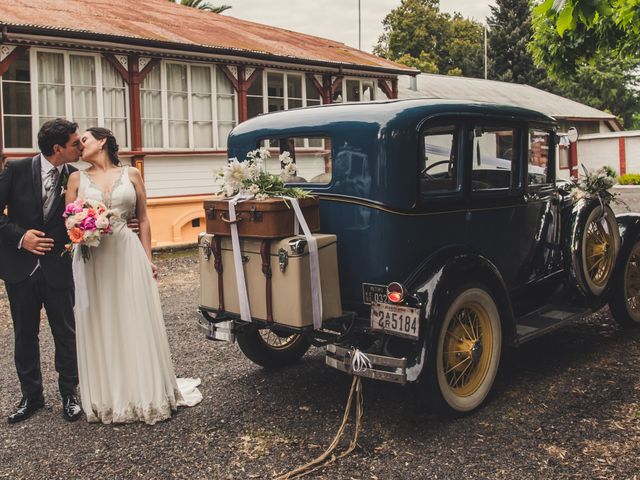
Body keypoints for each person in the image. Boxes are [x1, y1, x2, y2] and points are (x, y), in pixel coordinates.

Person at [65, 127, 202, 424]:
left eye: (84, 140)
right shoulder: (75, 178)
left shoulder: (132, 174)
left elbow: (143, 218)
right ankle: (110, 397)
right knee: (102, 321)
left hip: (127, 252)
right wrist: (83, 227)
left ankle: (146, 393)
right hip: (93, 258)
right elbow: (69, 220)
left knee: (133, 318)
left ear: (102, 141)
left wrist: (147, 258)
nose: (79, 145)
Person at [0, 118, 83, 423]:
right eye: (76, 143)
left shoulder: (75, 177)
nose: (81, 146)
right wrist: (22, 237)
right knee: (25, 335)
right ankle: (31, 397)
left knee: (66, 332)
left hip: (59, 268)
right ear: (57, 148)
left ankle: (69, 394)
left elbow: (83, 220)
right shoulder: (17, 169)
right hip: (20, 267)